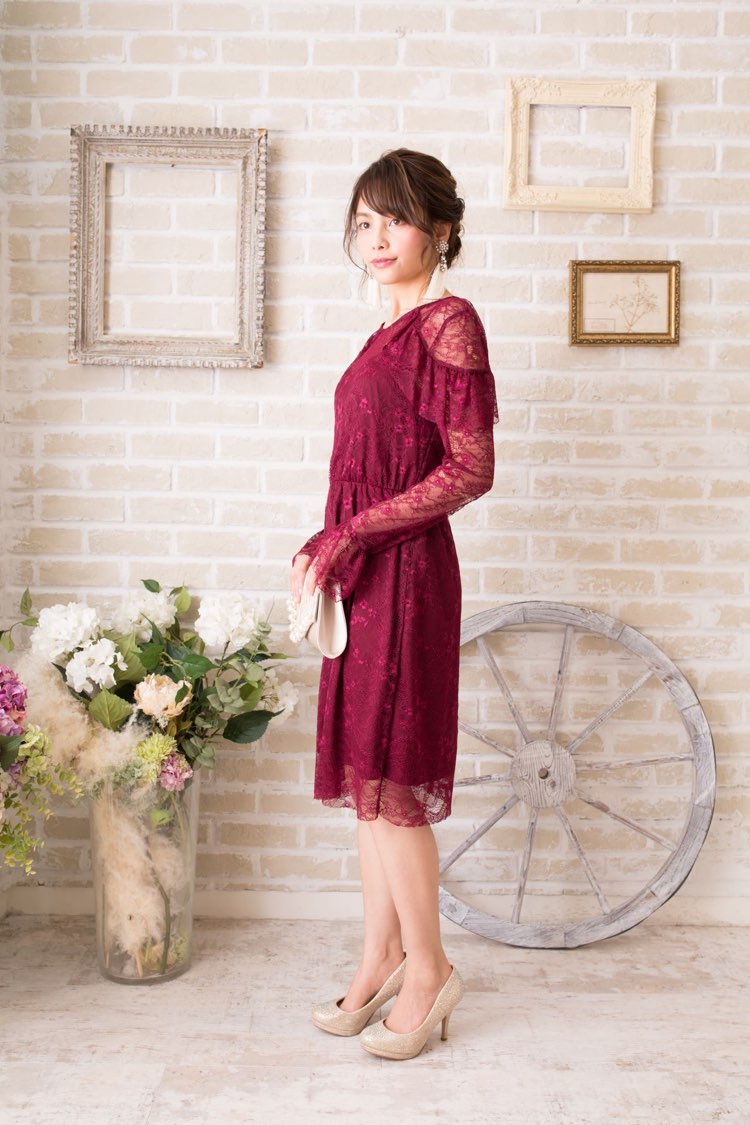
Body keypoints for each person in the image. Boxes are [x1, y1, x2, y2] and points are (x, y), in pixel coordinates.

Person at [289, 148, 499, 1060]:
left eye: (397, 220)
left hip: (407, 575)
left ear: (440, 229)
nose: (377, 239)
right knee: (368, 780)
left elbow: (470, 468)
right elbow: (366, 471)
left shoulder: (449, 322)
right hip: (366, 573)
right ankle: (379, 955)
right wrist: (324, 543)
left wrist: (351, 536)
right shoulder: (385, 331)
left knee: (393, 784)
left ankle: (430, 968)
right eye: (365, 222)